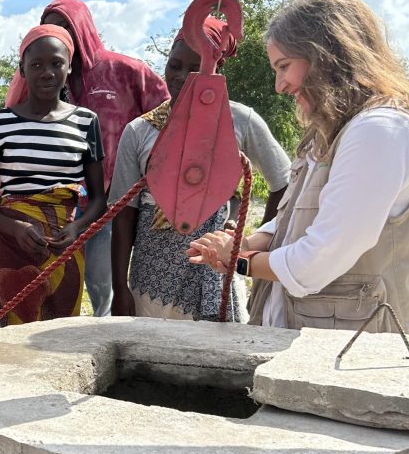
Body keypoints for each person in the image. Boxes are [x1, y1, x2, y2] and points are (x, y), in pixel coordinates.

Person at [188, 0, 409, 339]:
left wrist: (239, 262)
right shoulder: (343, 126)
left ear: (325, 54)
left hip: (360, 354)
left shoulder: (379, 130)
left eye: (284, 66)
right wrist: (254, 241)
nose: (279, 85)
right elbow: (303, 213)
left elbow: (318, 260)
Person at [110, 17, 291, 322]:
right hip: (150, 279)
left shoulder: (239, 121)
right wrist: (120, 288)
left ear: (216, 71)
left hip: (215, 272)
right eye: (175, 65)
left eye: (195, 68)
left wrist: (254, 242)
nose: (181, 77)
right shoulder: (139, 131)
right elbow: (124, 213)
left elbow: (283, 183)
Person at [8, 0, 169, 318]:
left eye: (65, 24)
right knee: (54, 286)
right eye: (51, 26)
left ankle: (105, 349)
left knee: (101, 285)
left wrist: (153, 176)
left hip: (111, 204)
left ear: (82, 26)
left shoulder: (125, 72)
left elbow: (167, 116)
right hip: (55, 206)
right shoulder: (43, 79)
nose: (58, 33)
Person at [0, 25, 107, 325]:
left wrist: (78, 229)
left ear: (69, 66)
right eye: (36, 65)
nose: (47, 72)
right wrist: (15, 228)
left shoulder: (86, 122)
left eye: (56, 63)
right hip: (13, 249)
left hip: (65, 248)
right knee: (11, 342)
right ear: (22, 68)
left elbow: (99, 200)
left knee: (57, 343)